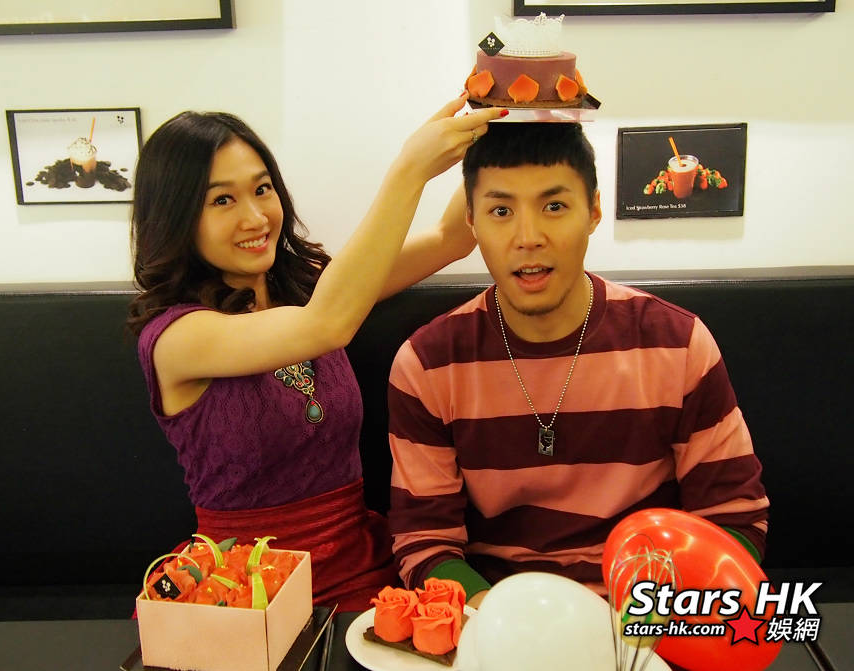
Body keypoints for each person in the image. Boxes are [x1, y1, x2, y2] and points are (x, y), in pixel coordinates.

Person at [126, 96, 506, 612]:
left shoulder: (307, 287)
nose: (255, 216)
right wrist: (409, 169)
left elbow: (450, 238)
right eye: (222, 200)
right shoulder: (176, 338)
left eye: (262, 189)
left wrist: (501, 125)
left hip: (359, 569)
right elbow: (328, 324)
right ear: (176, 216)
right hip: (246, 592)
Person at [385, 121, 769, 608]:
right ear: (472, 222)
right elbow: (425, 542)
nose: (528, 237)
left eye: (554, 207)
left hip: (643, 619)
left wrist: (646, 621)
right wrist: (504, 622)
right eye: (501, 211)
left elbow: (733, 519)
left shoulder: (677, 344)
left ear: (593, 212)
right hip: (499, 616)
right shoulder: (427, 365)